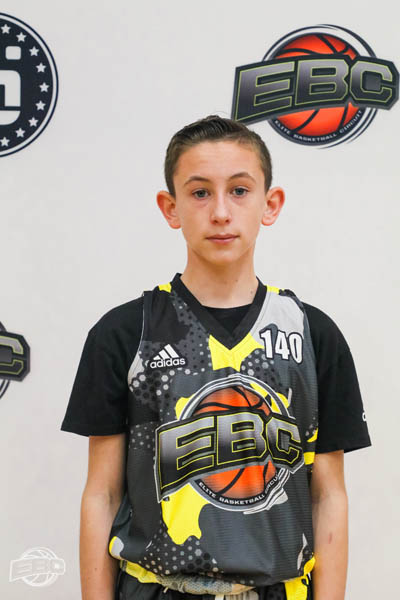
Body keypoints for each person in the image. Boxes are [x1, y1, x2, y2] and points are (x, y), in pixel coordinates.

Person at [60, 114, 371, 600]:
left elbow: (328, 494)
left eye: (240, 190)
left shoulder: (313, 335)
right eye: (200, 192)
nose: (221, 212)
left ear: (270, 204)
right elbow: (102, 493)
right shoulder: (125, 333)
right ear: (171, 208)